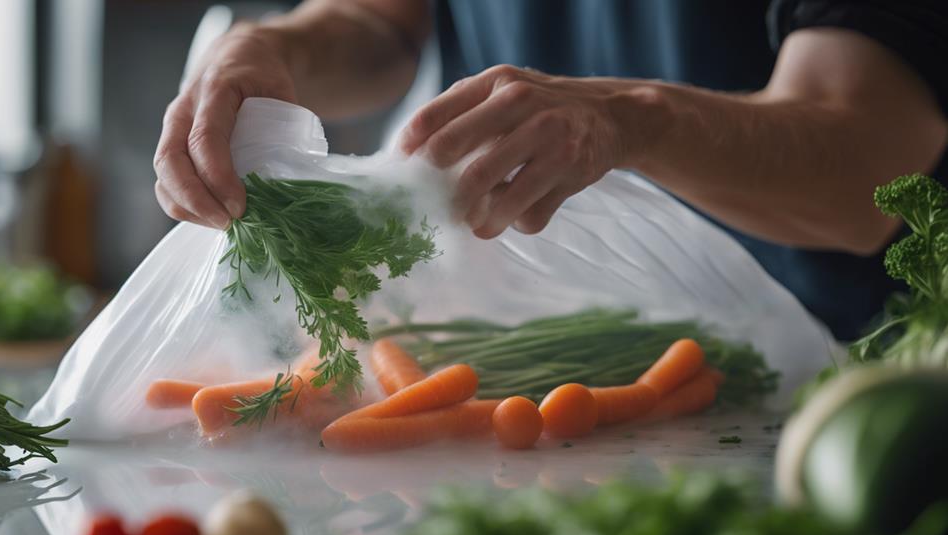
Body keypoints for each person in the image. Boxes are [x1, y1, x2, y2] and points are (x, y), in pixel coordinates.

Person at [153, 0, 948, 341]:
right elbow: (380, 24)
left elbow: (869, 172)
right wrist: (275, 49)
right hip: (544, 361)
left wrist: (626, 120)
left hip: (836, 385)